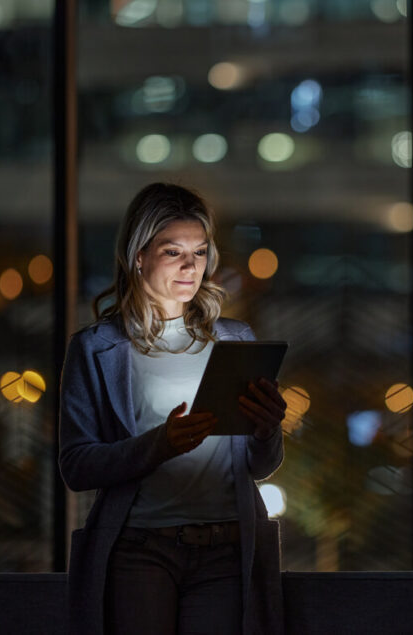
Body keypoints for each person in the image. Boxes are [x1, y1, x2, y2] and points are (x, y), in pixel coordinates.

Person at [59, 183, 287, 635]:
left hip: (227, 547)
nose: (191, 266)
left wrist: (266, 432)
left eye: (200, 252)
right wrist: (157, 446)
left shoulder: (234, 341)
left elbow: (260, 467)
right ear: (138, 255)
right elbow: (76, 466)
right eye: (173, 251)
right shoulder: (97, 349)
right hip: (140, 550)